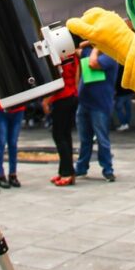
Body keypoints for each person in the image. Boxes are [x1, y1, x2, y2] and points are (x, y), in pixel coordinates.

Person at [75, 43, 119, 182]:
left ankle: (107, 169)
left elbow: (93, 64)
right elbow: (78, 49)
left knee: (102, 139)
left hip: (100, 105)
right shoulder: (88, 51)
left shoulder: (110, 56)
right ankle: (81, 167)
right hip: (85, 102)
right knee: (84, 139)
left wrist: (96, 48)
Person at [43, 50, 80, 186]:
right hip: (71, 95)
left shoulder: (57, 55)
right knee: (65, 135)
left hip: (62, 97)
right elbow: (76, 75)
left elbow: (57, 80)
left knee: (59, 135)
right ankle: (65, 170)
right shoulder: (71, 53)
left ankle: (67, 173)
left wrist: (47, 100)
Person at [0, 76, 25, 189]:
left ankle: (12, 173)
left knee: (13, 143)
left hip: (17, 106)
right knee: (1, 141)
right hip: (0, 106)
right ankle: (0, 174)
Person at [114, 64, 134, 131]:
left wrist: (115, 90)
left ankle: (123, 123)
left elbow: (117, 80)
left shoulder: (118, 68)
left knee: (118, 107)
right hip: (129, 91)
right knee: (128, 108)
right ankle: (127, 123)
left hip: (121, 92)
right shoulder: (128, 67)